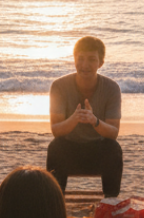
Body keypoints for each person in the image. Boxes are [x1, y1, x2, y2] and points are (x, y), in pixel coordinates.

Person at [47, 35, 123, 197]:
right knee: (55, 146)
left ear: (100, 63)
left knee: (114, 149)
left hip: (98, 150)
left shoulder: (111, 88)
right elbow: (56, 130)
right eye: (80, 59)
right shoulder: (59, 86)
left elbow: (113, 133)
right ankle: (55, 201)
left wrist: (94, 121)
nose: (85, 65)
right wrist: (74, 118)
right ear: (74, 59)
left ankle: (110, 202)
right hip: (69, 149)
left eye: (91, 59)